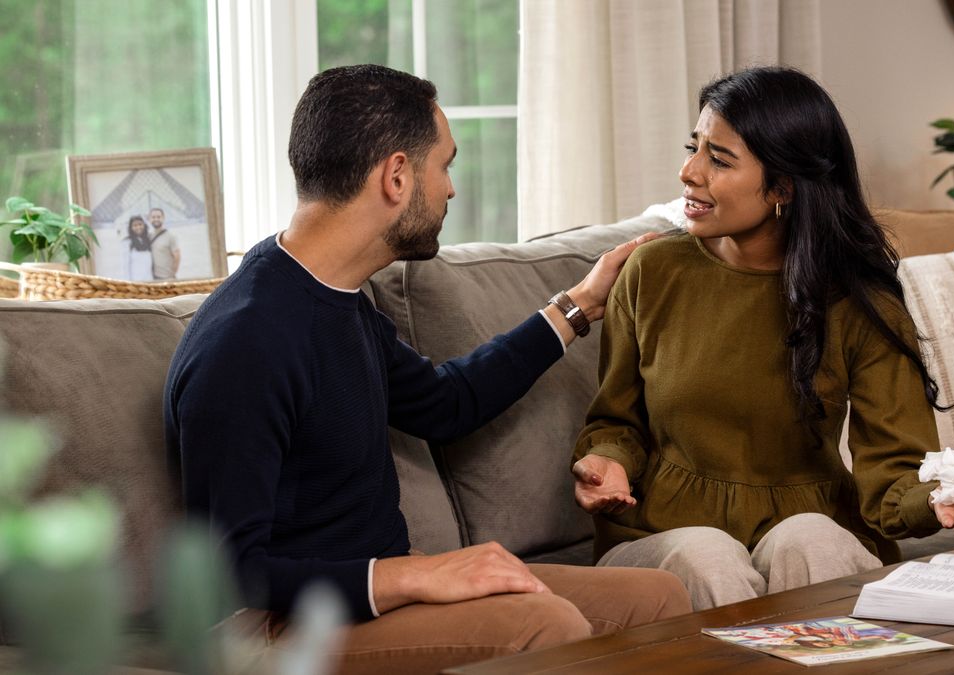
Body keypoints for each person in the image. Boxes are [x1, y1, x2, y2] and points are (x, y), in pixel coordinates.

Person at [164, 64, 688, 675]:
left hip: (373, 599)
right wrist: (416, 573)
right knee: (547, 626)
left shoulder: (337, 297)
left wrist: (577, 307)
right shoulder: (247, 341)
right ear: (396, 175)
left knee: (660, 599)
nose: (450, 190)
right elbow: (232, 574)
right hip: (276, 628)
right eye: (445, 165)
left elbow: (445, 404)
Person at [571, 66, 954, 611]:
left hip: (812, 525)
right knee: (708, 555)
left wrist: (937, 498)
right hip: (662, 535)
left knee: (810, 539)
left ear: (784, 187)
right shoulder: (652, 270)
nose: (688, 171)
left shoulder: (859, 302)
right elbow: (617, 421)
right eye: (694, 148)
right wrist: (607, 462)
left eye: (718, 159)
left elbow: (894, 467)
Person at [148, 206, 181, 280]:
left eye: (158, 217)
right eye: (153, 217)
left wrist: (172, 274)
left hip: (168, 278)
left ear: (163, 218)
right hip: (154, 278)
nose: (156, 219)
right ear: (149, 219)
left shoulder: (170, 236)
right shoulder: (149, 236)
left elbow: (177, 256)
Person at [124, 215, 154, 281]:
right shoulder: (127, 242)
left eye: (140, 224)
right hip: (136, 282)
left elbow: (153, 230)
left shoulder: (147, 240)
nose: (138, 227)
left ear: (144, 225)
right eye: (135, 225)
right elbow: (124, 267)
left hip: (149, 280)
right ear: (131, 228)